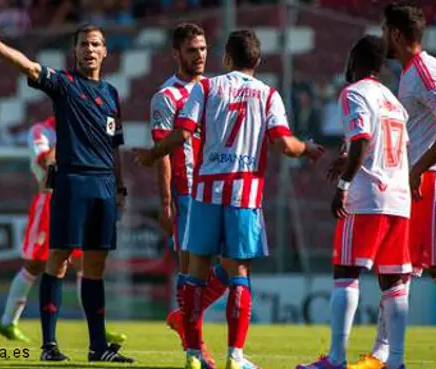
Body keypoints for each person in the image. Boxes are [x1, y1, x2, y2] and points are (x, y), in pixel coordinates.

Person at [136, 29, 324, 369]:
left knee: (195, 273)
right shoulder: (268, 94)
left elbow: (181, 134)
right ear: (258, 60)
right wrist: (307, 148)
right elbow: (283, 143)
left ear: (225, 58)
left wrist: (150, 155)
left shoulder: (207, 88)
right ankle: (234, 356)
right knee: (238, 274)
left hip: (205, 190)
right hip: (242, 194)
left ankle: (193, 352)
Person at [0, 20, 134, 363]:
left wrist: (119, 187)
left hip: (104, 186)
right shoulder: (64, 84)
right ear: (74, 51)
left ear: (105, 51)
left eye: (95, 44)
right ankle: (49, 346)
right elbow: (29, 66)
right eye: (84, 44)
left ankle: (97, 348)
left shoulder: (112, 94)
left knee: (95, 266)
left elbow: (116, 146)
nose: (89, 49)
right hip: (72, 182)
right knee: (56, 261)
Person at [349, 3, 436, 369]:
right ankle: (380, 355)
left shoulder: (425, 68)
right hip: (416, 180)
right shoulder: (409, 73)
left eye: (383, 29)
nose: (381, 37)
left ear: (394, 32)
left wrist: (419, 169)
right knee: (396, 269)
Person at [297, 35, 411, 369]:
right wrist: (346, 155)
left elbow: (363, 140)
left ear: (355, 60)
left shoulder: (353, 93)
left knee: (346, 273)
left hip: (367, 197)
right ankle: (397, 362)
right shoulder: (393, 101)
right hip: (398, 198)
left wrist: (344, 184)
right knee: (393, 283)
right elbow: (381, 145)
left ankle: (336, 359)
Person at [0, 116, 126, 347]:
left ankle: (98, 327)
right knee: (34, 265)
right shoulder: (41, 130)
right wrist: (70, 135)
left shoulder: (85, 126)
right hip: (48, 202)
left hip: (77, 200)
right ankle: (8, 321)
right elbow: (47, 161)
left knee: (85, 264)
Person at [150, 23, 234, 369]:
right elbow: (162, 152)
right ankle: (195, 348)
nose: (200, 56)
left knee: (232, 268)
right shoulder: (166, 97)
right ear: (176, 54)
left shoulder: (215, 90)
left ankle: (181, 317)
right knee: (190, 273)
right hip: (187, 195)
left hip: (218, 191)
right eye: (191, 50)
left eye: (203, 49)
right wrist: (167, 202)